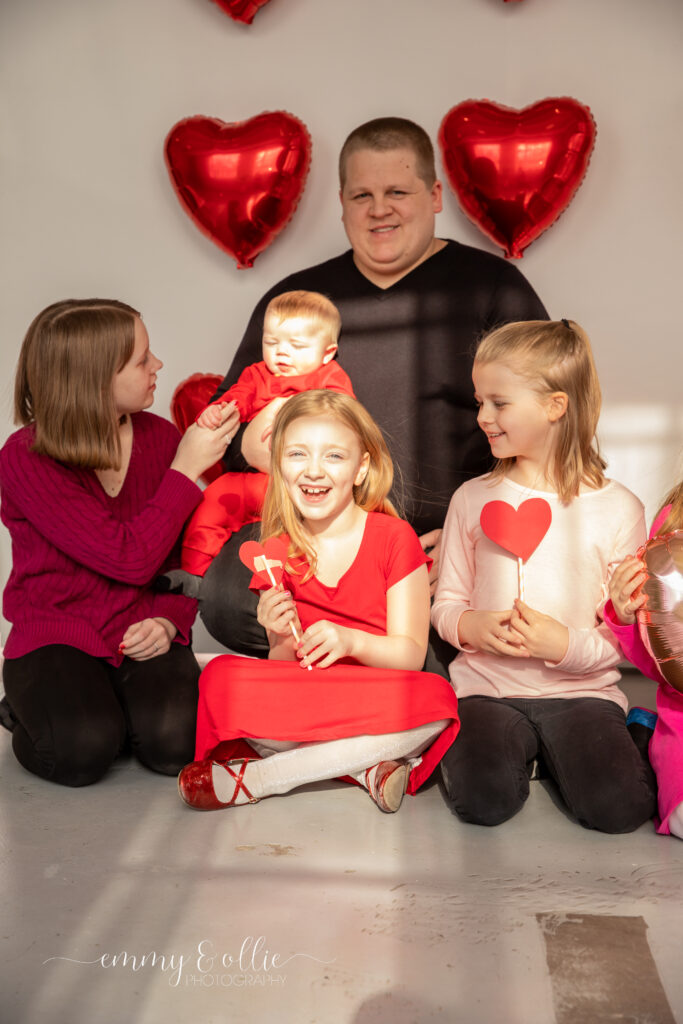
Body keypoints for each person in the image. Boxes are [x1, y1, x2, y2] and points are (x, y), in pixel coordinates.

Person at [197, 116, 549, 661]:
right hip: (311, 548)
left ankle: (382, 658)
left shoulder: (493, 288)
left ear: (434, 196)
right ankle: (353, 655)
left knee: (505, 593)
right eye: (362, 194)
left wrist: (465, 537)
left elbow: (545, 430)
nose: (378, 209)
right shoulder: (297, 300)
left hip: (443, 550)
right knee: (223, 597)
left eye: (397, 192)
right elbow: (229, 434)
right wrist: (258, 437)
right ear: (340, 202)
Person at [177, 390, 459, 813]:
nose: (313, 471)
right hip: (310, 694)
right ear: (279, 466)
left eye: (333, 457)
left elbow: (410, 655)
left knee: (437, 700)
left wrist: (351, 643)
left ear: (361, 467)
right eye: (297, 455)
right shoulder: (275, 549)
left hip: (372, 694)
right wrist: (278, 637)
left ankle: (262, 778)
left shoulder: (393, 538)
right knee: (219, 678)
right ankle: (364, 767)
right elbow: (284, 669)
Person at [0, 298, 238, 787]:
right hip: (58, 632)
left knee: (177, 746)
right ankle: (28, 709)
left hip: (141, 628)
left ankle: (105, 707)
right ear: (94, 379)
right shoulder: (27, 456)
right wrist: (185, 471)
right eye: (142, 360)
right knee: (81, 754)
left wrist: (169, 621)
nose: (159, 366)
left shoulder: (161, 437)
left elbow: (181, 557)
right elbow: (127, 557)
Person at [431, 318, 657, 833]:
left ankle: (598, 745)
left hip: (582, 693)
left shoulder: (620, 509)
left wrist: (562, 644)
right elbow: (444, 606)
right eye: (479, 401)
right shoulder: (471, 498)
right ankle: (535, 757)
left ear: (556, 406)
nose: (483, 416)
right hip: (486, 690)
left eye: (499, 403)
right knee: (483, 804)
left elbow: (622, 638)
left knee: (618, 812)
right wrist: (471, 627)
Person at [177, 290, 353, 583]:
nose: (281, 352)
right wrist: (219, 410)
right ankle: (191, 574)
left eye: (296, 345)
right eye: (271, 342)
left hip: (301, 487)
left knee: (294, 533)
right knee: (212, 501)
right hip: (252, 481)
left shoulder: (328, 378)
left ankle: (275, 585)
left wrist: (295, 415)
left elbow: (343, 413)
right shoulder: (257, 374)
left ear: (327, 353)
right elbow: (238, 397)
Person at [605, 480, 683, 838]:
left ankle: (643, 731)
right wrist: (624, 615)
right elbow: (661, 660)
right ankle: (650, 737)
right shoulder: (673, 525)